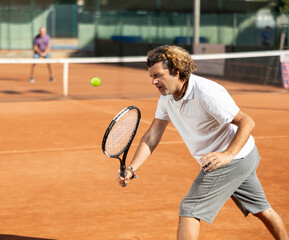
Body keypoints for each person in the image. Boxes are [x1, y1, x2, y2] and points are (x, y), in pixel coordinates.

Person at [116, 45, 289, 240]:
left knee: (190, 208)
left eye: (158, 75)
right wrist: (131, 168)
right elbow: (152, 135)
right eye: (151, 77)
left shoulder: (206, 92)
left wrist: (227, 155)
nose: (154, 81)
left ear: (176, 71)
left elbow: (247, 122)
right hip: (241, 156)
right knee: (262, 210)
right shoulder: (166, 97)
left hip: (231, 158)